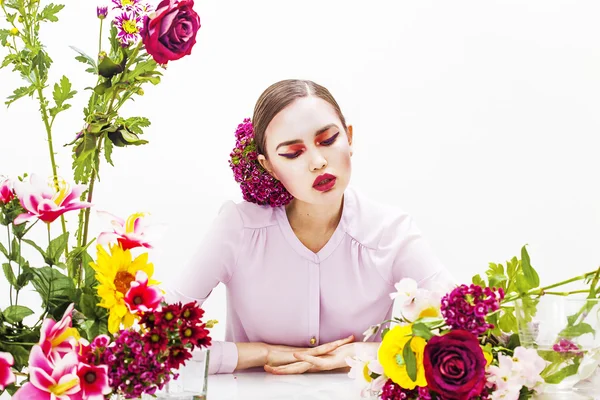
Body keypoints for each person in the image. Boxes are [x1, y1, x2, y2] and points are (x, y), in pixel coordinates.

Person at [167, 79, 455, 375]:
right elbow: (154, 342)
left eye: (329, 140)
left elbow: (472, 335)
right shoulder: (239, 229)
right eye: (292, 153)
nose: (318, 162)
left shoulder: (391, 233)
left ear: (350, 137)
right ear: (269, 166)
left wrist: (365, 352)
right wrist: (257, 353)